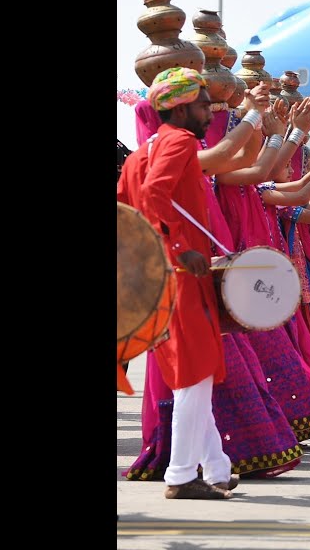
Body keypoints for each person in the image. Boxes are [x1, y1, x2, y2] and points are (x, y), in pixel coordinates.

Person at [116, 68, 233, 500]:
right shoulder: (180, 141)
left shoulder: (139, 153)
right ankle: (182, 476)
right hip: (182, 277)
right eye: (204, 105)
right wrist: (183, 246)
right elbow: (153, 194)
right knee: (194, 376)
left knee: (191, 375)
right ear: (181, 108)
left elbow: (127, 210)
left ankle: (217, 467)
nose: (209, 112)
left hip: (158, 281)